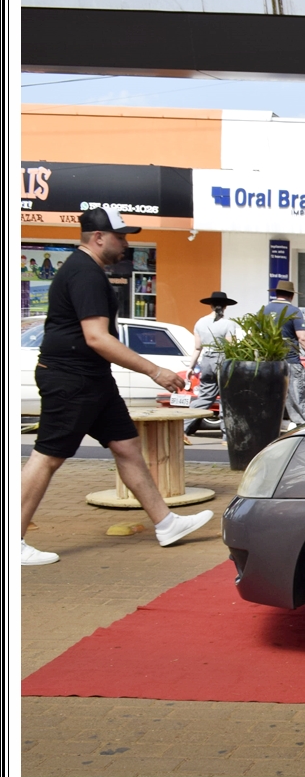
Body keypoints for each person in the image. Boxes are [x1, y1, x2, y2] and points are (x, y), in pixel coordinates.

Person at [20, 207, 214, 566]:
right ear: (98, 237)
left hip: (92, 378)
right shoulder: (85, 273)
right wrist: (155, 371)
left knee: (127, 447)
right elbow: (97, 337)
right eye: (120, 236)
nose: (126, 244)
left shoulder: (87, 270)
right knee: (48, 455)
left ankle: (166, 523)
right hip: (72, 378)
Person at [185, 291, 242, 435]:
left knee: (205, 397)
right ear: (225, 306)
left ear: (210, 305)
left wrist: (190, 367)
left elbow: (197, 348)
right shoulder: (228, 324)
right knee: (225, 398)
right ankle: (226, 435)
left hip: (206, 360)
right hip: (222, 359)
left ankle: (183, 427)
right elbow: (230, 347)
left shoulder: (200, 322)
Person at [264, 279, 305, 427]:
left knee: (272, 399)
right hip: (290, 361)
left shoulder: (264, 310)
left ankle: (271, 428)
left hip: (269, 363)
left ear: (276, 293)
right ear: (291, 295)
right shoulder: (293, 311)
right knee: (297, 398)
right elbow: (303, 338)